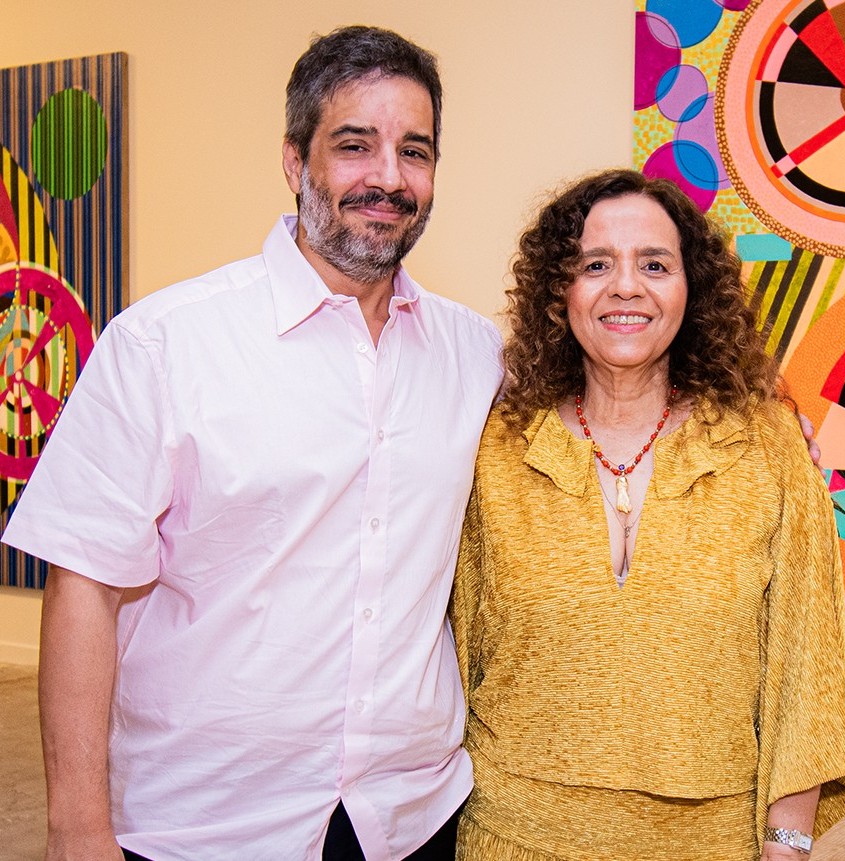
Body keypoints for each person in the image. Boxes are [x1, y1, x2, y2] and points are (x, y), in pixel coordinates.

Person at [2, 26, 504, 860]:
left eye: (414, 152)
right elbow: (83, 584)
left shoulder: (474, 355)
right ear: (294, 159)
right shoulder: (164, 344)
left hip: (411, 816)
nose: (388, 177)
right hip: (207, 824)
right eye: (355, 145)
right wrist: (76, 826)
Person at [450, 168, 845, 860]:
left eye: (654, 264)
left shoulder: (766, 445)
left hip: (709, 840)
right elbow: (447, 644)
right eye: (594, 265)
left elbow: (805, 662)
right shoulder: (493, 445)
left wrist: (788, 840)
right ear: (558, 291)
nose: (625, 286)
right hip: (513, 833)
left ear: (690, 288)